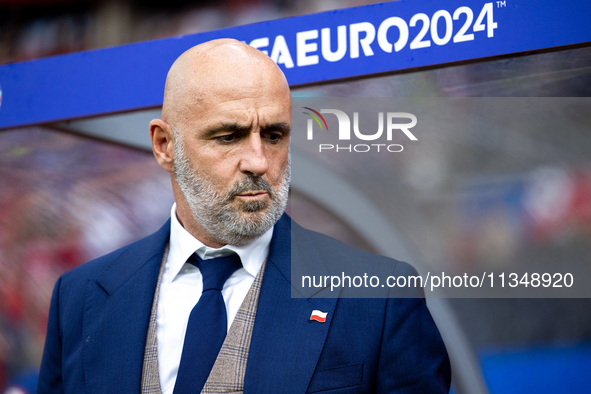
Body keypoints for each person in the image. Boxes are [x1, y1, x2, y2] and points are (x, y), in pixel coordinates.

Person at [37, 39, 451, 394]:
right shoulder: (80, 299)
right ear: (164, 145)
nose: (258, 161)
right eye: (228, 136)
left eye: (274, 135)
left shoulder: (379, 298)